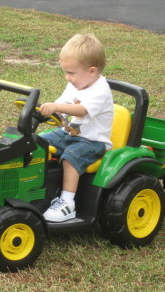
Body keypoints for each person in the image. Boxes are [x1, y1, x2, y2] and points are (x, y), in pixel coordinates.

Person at [40, 33, 114, 222]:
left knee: (70, 157)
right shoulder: (75, 85)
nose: (68, 77)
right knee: (38, 142)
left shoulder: (101, 90)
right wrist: (50, 111)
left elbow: (81, 110)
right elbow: (62, 104)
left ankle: (67, 202)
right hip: (69, 134)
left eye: (71, 73)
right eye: (66, 72)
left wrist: (56, 107)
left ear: (91, 71)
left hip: (93, 141)